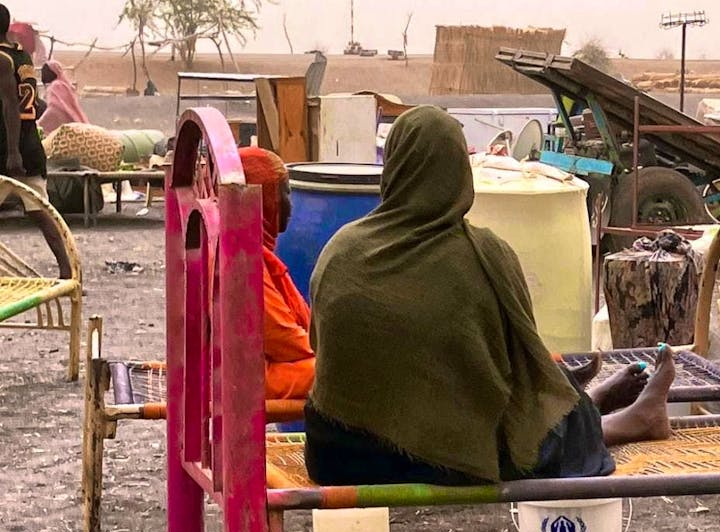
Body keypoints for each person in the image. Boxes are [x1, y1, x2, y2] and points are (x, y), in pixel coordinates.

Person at [304, 105, 675, 487]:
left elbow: (322, 345)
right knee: (542, 424)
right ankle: (626, 420)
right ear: (458, 173)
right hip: (436, 459)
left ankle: (587, 404)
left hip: (333, 451)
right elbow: (518, 365)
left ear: (394, 166)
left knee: (508, 397)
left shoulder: (341, 248)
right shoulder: (484, 254)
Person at [238, 146, 315, 400]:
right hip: (246, 376)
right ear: (265, 199)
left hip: (248, 367)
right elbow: (284, 341)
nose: (290, 206)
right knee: (348, 375)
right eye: (285, 193)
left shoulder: (246, 247)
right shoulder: (243, 259)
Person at [0, 4, 71, 280]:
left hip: (9, 147)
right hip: (30, 143)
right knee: (41, 212)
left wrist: (13, 152)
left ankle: (68, 271)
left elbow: (9, 106)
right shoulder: (22, 55)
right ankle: (67, 270)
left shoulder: (2, 59)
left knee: (41, 211)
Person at [37, 60, 89, 134]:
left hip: (67, 128)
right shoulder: (62, 84)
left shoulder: (56, 86)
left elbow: (55, 109)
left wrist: (40, 123)